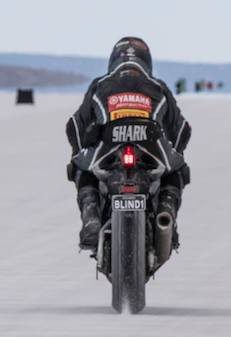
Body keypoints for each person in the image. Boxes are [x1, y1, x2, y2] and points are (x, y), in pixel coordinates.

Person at [66, 36, 191, 251]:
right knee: (179, 169)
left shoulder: (100, 85)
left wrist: (79, 152)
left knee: (78, 167)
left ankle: (91, 218)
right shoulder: (158, 87)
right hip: (151, 151)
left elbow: (75, 127)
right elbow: (181, 131)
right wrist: (176, 153)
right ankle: (166, 211)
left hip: (108, 151)